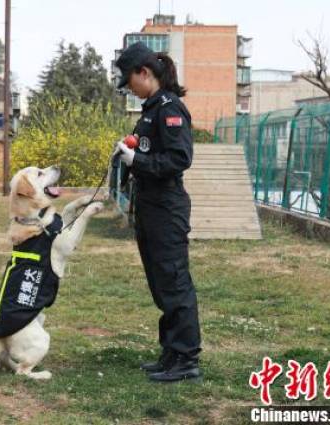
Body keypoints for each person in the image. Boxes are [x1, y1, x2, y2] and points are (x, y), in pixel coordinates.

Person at [114, 42, 201, 382]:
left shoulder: (169, 108)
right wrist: (127, 154)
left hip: (167, 208)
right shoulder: (150, 110)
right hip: (149, 207)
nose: (129, 89)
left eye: (129, 81)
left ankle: (186, 359)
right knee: (161, 283)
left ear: (144, 73)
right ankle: (170, 352)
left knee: (175, 282)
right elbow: (150, 153)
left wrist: (139, 160)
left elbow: (180, 158)